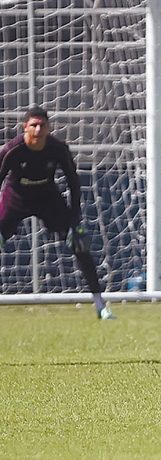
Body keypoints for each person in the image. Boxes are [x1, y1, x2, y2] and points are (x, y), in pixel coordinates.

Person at [0, 107, 113, 319]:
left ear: (49, 128)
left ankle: (100, 305)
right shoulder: (11, 150)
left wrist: (75, 219)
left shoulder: (58, 148)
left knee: (79, 243)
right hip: (16, 197)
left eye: (42, 125)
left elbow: (73, 183)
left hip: (47, 198)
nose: (38, 129)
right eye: (33, 125)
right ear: (25, 127)